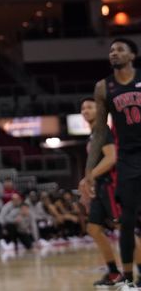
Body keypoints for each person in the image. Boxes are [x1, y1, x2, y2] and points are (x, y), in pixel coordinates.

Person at [80, 39, 141, 285]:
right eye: (111, 50)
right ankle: (127, 278)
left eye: (120, 49)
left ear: (132, 55)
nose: (114, 53)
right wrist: (88, 173)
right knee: (126, 222)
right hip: (128, 159)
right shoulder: (103, 87)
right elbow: (101, 136)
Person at [80, 97, 123, 287]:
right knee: (94, 228)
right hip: (100, 187)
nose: (85, 110)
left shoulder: (103, 130)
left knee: (125, 230)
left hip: (111, 185)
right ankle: (114, 272)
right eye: (83, 108)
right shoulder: (93, 135)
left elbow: (111, 158)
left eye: (90, 107)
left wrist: (90, 176)